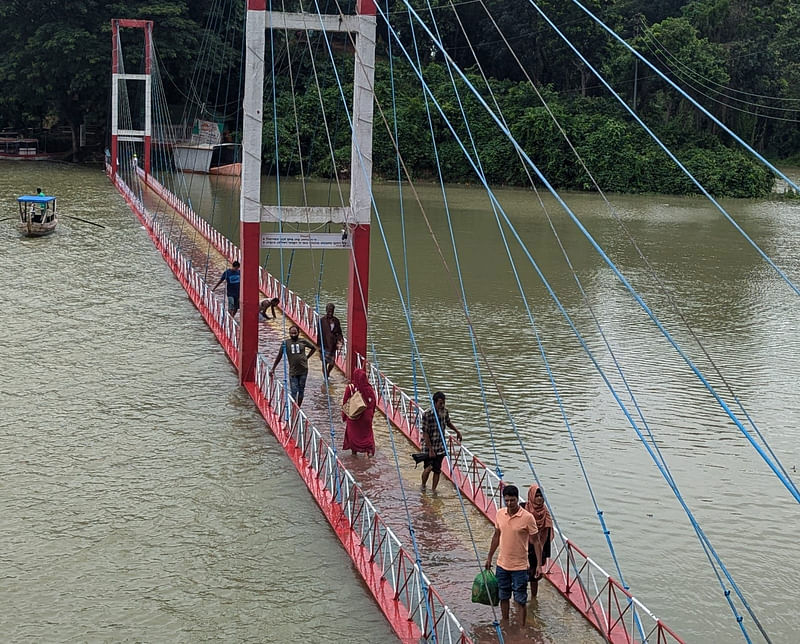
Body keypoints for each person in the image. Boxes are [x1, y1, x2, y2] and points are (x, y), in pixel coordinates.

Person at [485, 485, 541, 626]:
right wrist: (489, 557)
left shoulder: (528, 518)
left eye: (512, 500)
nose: (509, 504)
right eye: (507, 500)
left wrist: (539, 565)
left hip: (520, 567)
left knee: (520, 599)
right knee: (503, 596)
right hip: (502, 564)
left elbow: (536, 541)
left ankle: (522, 628)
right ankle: (505, 622)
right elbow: (496, 536)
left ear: (517, 499)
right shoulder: (499, 514)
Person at [420, 391, 462, 491]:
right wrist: (430, 449)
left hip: (440, 446)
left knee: (437, 470)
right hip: (429, 446)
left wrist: (457, 431)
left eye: (443, 403)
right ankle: (423, 485)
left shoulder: (445, 412)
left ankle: (434, 489)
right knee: (428, 468)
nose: (442, 405)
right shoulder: (427, 414)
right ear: (434, 402)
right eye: (440, 403)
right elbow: (425, 433)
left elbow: (448, 423)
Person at [270, 325, 316, 407]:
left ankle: (298, 407)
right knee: (294, 391)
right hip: (293, 372)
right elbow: (279, 356)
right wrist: (273, 368)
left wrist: (307, 357)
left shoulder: (303, 341)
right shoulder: (286, 343)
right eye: (291, 333)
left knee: (301, 390)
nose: (293, 335)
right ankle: (294, 408)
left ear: (298, 333)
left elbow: (313, 348)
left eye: (295, 333)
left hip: (303, 370)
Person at [525, 483, 553, 599]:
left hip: (539, 547)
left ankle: (534, 599)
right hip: (524, 546)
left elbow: (546, 533)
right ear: (531, 496)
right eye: (536, 496)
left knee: (534, 576)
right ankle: (520, 600)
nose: (539, 498)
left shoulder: (545, 512)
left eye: (541, 496)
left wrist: (540, 559)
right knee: (521, 575)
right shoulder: (523, 509)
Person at [341, 368, 376, 456]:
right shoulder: (369, 388)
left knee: (354, 435)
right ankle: (367, 454)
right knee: (367, 435)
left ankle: (354, 454)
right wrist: (371, 415)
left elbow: (345, 403)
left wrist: (344, 416)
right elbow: (373, 402)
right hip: (367, 418)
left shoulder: (351, 388)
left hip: (355, 417)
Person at [317, 303, 343, 379]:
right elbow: (319, 333)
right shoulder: (322, 321)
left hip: (332, 345)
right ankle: (325, 377)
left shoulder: (336, 321)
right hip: (324, 344)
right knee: (324, 362)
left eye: (331, 311)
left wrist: (340, 340)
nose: (330, 313)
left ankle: (327, 373)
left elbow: (339, 332)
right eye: (328, 311)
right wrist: (319, 346)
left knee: (332, 363)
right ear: (326, 310)